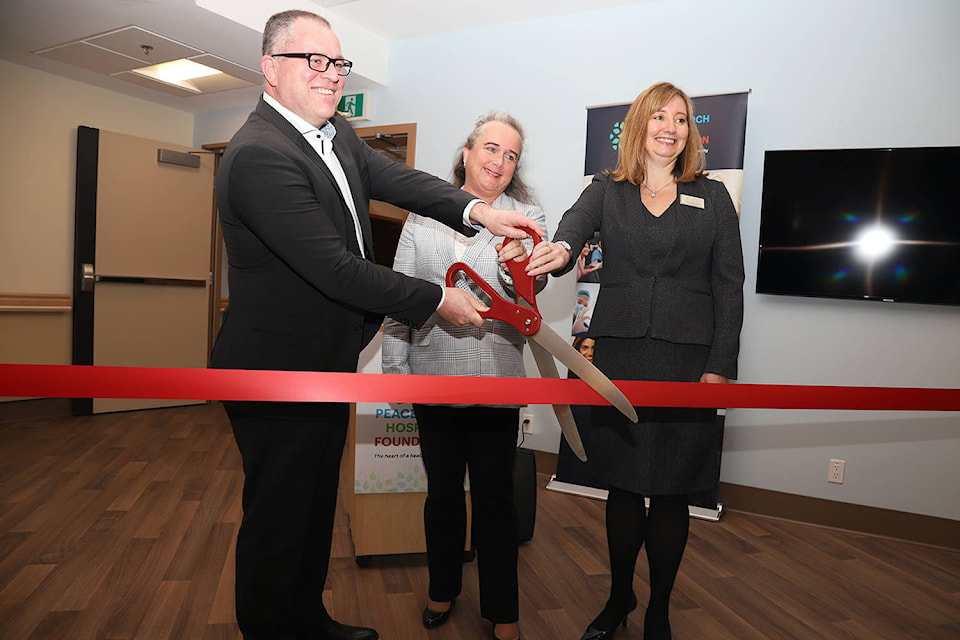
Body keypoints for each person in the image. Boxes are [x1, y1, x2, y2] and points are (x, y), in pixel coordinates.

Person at [211, 11, 543, 640]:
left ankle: (307, 618)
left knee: (311, 511)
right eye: (315, 61)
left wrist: (476, 211)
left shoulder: (334, 135)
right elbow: (336, 270)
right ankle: (269, 630)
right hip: (276, 374)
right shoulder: (259, 155)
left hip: (324, 366)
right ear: (270, 69)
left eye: (338, 63)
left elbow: (400, 181)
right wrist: (435, 300)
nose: (331, 75)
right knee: (277, 519)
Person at [526, 82, 744, 640]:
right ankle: (619, 596)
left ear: (690, 131)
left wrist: (719, 365)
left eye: (681, 119)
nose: (670, 127)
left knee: (671, 490)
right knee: (623, 487)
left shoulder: (713, 196)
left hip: (689, 362)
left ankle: (660, 610)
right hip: (620, 356)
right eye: (659, 117)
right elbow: (570, 232)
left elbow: (729, 285)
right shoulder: (608, 190)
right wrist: (555, 253)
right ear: (639, 126)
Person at [381, 112, 546, 640]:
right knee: (443, 494)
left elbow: (527, 305)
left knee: (497, 499)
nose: (499, 162)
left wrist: (515, 262)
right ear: (468, 152)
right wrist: (397, 372)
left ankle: (503, 610)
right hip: (433, 374)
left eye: (511, 155)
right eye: (491, 148)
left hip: (496, 376)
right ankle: (442, 588)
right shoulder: (424, 214)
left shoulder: (527, 216)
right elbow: (400, 298)